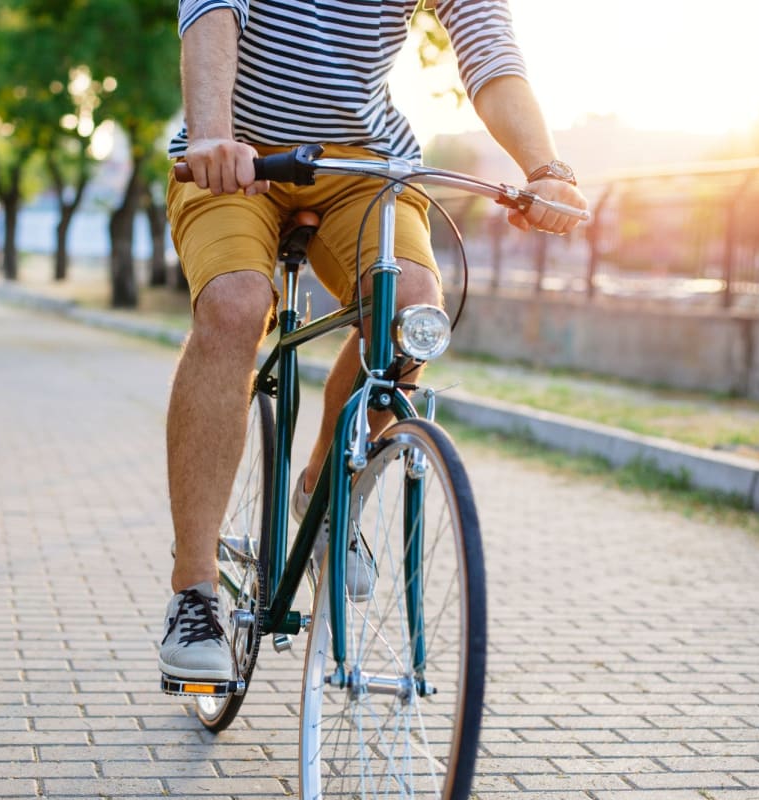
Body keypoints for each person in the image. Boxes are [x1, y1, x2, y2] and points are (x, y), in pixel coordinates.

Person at [158, 0, 588, 682]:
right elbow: (212, 8)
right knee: (236, 306)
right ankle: (194, 589)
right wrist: (212, 134)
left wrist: (546, 167)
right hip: (238, 152)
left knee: (413, 313)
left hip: (362, 161)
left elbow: (487, 46)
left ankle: (324, 497)